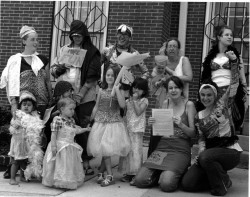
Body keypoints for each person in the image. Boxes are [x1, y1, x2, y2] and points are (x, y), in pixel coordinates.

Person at [51, 20, 101, 175]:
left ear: (84, 34)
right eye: (74, 35)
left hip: (84, 96)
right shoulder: (64, 49)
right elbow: (53, 70)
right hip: (66, 97)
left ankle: (86, 161)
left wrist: (81, 93)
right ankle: (68, 162)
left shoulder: (91, 51)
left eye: (79, 35)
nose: (77, 37)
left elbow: (94, 74)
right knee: (66, 129)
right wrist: (59, 68)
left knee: (83, 128)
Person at [135, 76, 196, 192]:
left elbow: (193, 134)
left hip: (180, 149)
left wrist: (181, 125)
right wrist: (152, 123)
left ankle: (172, 173)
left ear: (181, 89)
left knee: (166, 185)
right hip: (163, 147)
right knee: (139, 180)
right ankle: (162, 173)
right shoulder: (165, 103)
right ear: (167, 91)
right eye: (170, 88)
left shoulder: (189, 105)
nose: (173, 90)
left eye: (176, 87)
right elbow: (159, 129)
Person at [181, 81, 242, 196]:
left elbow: (233, 85)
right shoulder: (198, 115)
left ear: (215, 95)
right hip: (209, 154)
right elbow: (201, 137)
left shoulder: (223, 105)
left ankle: (220, 187)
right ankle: (221, 179)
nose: (206, 98)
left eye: (209, 95)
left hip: (229, 151)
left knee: (206, 157)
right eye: (203, 95)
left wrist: (235, 64)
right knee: (187, 184)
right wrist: (200, 151)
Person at [147, 38, 193, 157]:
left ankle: (174, 157)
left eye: (174, 46)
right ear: (166, 49)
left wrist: (168, 74)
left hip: (179, 101)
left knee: (175, 131)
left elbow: (189, 77)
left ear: (179, 49)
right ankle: (152, 160)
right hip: (163, 100)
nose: (172, 48)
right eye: (169, 46)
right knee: (157, 130)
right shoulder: (163, 61)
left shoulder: (184, 60)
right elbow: (154, 77)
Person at [87, 66, 131, 187]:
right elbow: (97, 105)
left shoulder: (120, 89)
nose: (110, 77)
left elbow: (122, 105)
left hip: (113, 123)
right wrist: (91, 118)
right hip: (100, 122)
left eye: (112, 75)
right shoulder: (101, 90)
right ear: (104, 76)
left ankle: (110, 175)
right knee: (104, 149)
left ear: (117, 77)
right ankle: (101, 172)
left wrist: (116, 90)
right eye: (108, 75)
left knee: (106, 148)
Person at [200, 25, 247, 134]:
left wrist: (244, 90)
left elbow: (241, 76)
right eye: (226, 35)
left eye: (231, 35)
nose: (230, 37)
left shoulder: (235, 55)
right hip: (214, 91)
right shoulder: (211, 56)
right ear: (219, 37)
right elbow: (206, 75)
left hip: (230, 91)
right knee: (214, 119)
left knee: (227, 119)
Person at [0, 25, 52, 119]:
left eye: (37, 39)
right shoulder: (16, 60)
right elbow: (12, 83)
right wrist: (13, 104)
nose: (36, 42)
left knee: (38, 131)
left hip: (41, 104)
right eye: (32, 40)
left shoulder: (43, 60)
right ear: (24, 41)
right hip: (24, 105)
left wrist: (51, 100)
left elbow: (48, 81)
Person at [42, 97, 91, 190]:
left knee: (68, 165)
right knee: (59, 165)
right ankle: (58, 181)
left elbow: (75, 130)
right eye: (70, 109)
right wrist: (53, 146)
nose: (73, 111)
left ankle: (67, 181)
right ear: (62, 109)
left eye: (74, 109)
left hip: (70, 146)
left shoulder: (71, 120)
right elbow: (53, 133)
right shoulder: (58, 120)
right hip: (60, 146)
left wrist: (85, 129)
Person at [101, 24, 149, 98]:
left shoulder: (134, 54)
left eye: (125, 35)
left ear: (130, 37)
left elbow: (146, 72)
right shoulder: (107, 51)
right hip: (109, 91)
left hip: (126, 93)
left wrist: (137, 84)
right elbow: (96, 67)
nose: (122, 37)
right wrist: (99, 81)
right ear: (117, 35)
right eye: (120, 34)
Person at [8, 91, 44, 185]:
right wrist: (15, 124)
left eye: (29, 105)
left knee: (24, 159)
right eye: (24, 104)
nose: (26, 107)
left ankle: (22, 176)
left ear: (33, 107)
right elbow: (12, 127)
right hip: (18, 142)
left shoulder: (34, 117)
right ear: (20, 106)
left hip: (27, 142)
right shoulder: (18, 115)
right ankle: (12, 178)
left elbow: (36, 130)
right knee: (16, 161)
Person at [119, 77, 149, 186]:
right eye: (135, 87)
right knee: (128, 150)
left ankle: (136, 173)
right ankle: (128, 172)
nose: (136, 90)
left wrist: (135, 100)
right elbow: (125, 112)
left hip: (137, 129)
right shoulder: (128, 100)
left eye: (139, 89)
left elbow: (138, 112)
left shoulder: (144, 100)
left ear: (144, 91)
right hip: (128, 127)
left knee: (136, 151)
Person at [43, 80, 74, 146]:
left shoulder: (70, 104)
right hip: (56, 137)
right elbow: (48, 120)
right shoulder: (54, 106)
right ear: (61, 92)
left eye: (70, 91)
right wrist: (56, 113)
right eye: (67, 91)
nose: (70, 93)